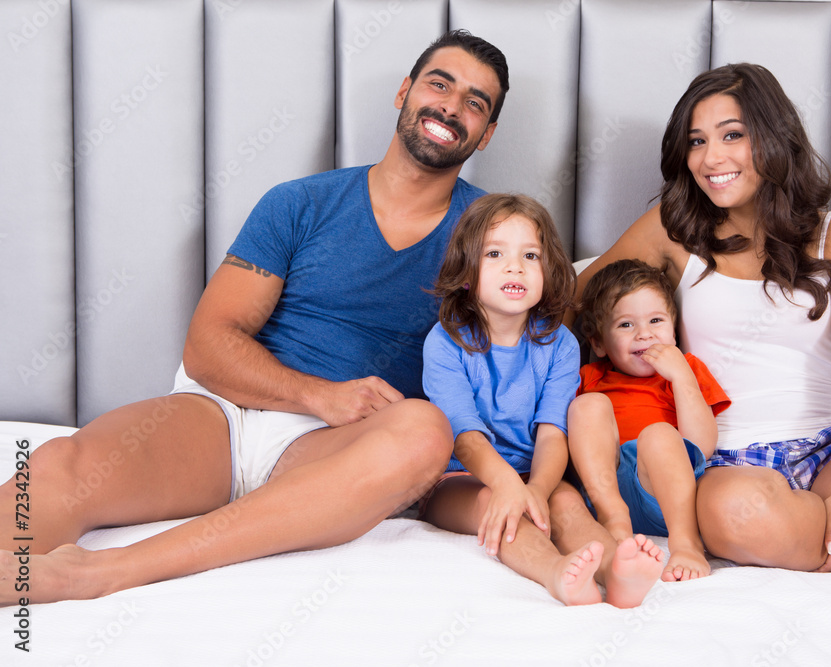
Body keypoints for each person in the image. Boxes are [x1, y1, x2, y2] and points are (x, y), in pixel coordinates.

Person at [0, 29, 511, 605]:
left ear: (486, 133)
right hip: (220, 418)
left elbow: (549, 327)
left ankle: (105, 572)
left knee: (423, 431)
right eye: (438, 84)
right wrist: (320, 395)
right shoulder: (300, 203)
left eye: (474, 102)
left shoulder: (490, 237)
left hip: (333, 453)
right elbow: (208, 346)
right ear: (404, 92)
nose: (449, 105)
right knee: (61, 465)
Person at [567, 62, 831, 647]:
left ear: (774, 137)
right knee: (739, 515)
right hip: (727, 463)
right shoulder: (671, 229)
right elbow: (575, 306)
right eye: (696, 141)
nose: (712, 157)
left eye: (733, 134)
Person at [421, 194, 666, 607]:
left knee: (566, 502)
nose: (514, 266)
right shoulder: (445, 342)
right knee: (495, 505)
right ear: (466, 271)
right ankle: (556, 574)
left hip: (533, 473)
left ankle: (616, 571)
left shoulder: (560, 344)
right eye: (495, 253)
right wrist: (506, 486)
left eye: (530, 255)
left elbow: (553, 433)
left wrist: (536, 487)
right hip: (458, 479)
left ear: (548, 273)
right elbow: (465, 436)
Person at [569, 258, 730, 582]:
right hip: (603, 487)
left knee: (658, 434)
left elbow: (702, 445)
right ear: (598, 342)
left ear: (674, 329)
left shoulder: (686, 370)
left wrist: (681, 377)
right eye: (626, 325)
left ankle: (685, 542)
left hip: (664, 490)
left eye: (656, 320)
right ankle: (613, 522)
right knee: (587, 407)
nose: (644, 335)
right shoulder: (589, 378)